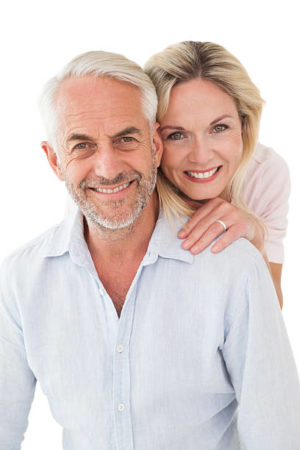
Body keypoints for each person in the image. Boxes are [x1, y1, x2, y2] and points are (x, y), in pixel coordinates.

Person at [0, 50, 299, 449]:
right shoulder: (24, 277)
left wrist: (255, 245)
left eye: (126, 138)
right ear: (54, 160)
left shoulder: (242, 242)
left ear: (152, 145)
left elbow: (275, 431)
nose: (107, 167)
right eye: (82, 146)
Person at [144, 41, 290, 306]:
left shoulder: (263, 174)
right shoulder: (137, 185)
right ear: (153, 140)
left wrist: (256, 237)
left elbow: (270, 318)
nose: (201, 156)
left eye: (219, 128)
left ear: (244, 125)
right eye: (176, 135)